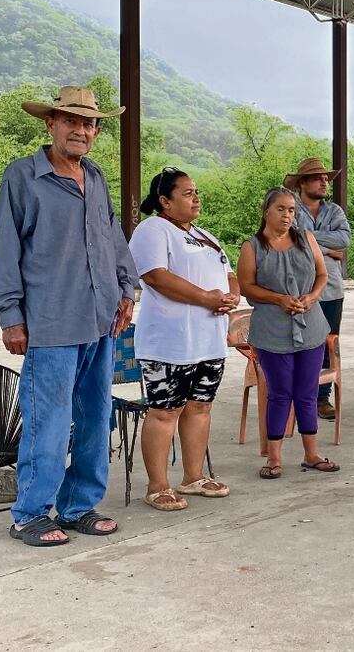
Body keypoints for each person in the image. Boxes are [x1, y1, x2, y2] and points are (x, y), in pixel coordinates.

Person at [0, 86, 138, 546]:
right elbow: (6, 249)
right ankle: (30, 513)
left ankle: (78, 507)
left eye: (89, 123)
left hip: (100, 320)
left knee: (96, 415)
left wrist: (126, 288)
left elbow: (113, 239)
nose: (81, 130)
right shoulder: (23, 178)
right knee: (47, 420)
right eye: (70, 121)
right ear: (50, 124)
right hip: (50, 322)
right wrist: (10, 316)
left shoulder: (94, 177)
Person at [128, 168, 238, 511]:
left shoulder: (206, 236)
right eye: (188, 193)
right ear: (165, 201)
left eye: (196, 191)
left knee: (200, 408)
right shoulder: (152, 230)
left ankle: (193, 476)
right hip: (169, 342)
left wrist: (231, 297)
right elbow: (156, 276)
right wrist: (206, 298)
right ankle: (158, 485)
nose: (196, 197)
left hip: (208, 340)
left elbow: (229, 274)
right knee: (164, 412)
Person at [237, 188, 339, 479]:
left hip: (311, 327)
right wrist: (279, 299)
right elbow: (246, 287)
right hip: (272, 329)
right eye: (281, 209)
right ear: (266, 211)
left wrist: (312, 297)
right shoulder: (252, 246)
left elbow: (323, 274)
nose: (287, 215)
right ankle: (274, 458)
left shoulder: (306, 239)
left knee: (307, 393)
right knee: (280, 393)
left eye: (292, 210)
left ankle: (311, 454)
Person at [285, 158, 350, 421]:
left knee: (327, 344)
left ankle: (322, 399)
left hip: (331, 290)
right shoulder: (289, 207)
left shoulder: (334, 210)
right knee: (297, 343)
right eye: (317, 178)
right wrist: (329, 250)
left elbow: (344, 240)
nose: (324, 182)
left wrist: (308, 238)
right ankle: (297, 397)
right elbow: (286, 238)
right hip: (297, 289)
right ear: (302, 183)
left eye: (326, 178)